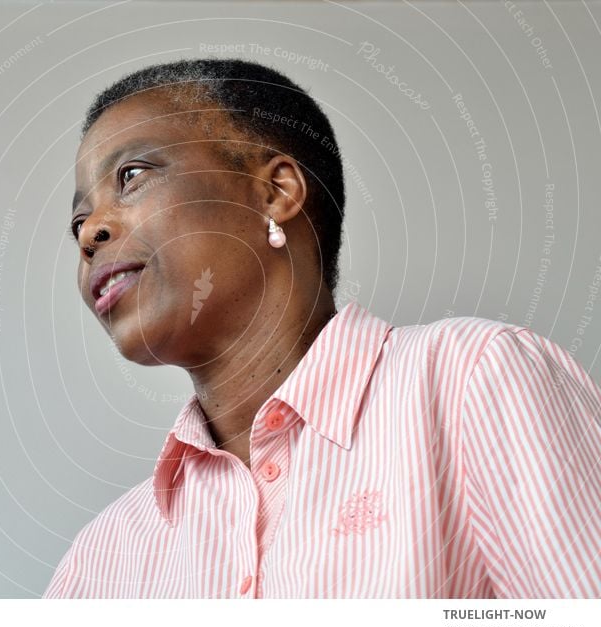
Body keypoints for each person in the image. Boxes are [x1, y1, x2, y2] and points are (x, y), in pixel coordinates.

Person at [44, 58, 601, 598]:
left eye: (132, 176)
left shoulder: (473, 383)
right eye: (77, 223)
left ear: (277, 192)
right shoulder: (101, 562)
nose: (90, 230)